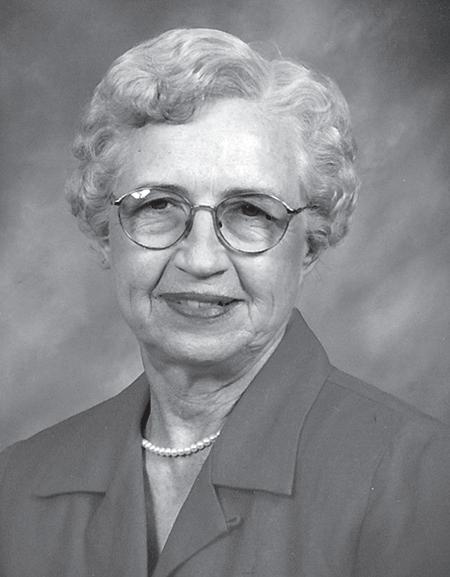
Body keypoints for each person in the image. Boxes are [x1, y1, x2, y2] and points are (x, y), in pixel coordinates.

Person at [1, 27, 449, 577]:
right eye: (158, 204)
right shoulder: (16, 486)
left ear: (310, 245)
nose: (200, 258)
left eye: (251, 211)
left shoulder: (424, 479)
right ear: (103, 233)